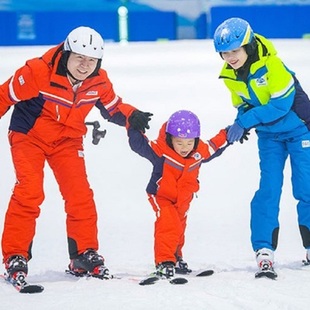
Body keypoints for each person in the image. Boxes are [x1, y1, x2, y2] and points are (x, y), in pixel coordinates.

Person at [0, 26, 152, 284]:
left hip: (67, 140)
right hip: (30, 136)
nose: (84, 65)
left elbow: (113, 107)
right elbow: (3, 97)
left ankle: (83, 253)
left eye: (91, 60)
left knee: (79, 194)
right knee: (30, 190)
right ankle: (15, 255)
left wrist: (132, 115)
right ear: (66, 53)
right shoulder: (37, 72)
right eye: (79, 57)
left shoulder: (98, 80)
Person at [213, 17, 310, 278]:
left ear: (249, 45)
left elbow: (280, 105)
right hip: (269, 137)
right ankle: (264, 248)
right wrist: (240, 121)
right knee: (268, 189)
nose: (230, 57)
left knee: (306, 187)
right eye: (224, 52)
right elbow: (243, 103)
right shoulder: (230, 75)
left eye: (235, 51)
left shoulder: (273, 66)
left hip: (299, 129)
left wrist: (246, 121)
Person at [127, 110, 229, 278]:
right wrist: (133, 125)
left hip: (183, 197)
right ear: (170, 138)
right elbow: (138, 144)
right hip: (161, 195)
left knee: (179, 227)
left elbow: (215, 146)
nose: (184, 148)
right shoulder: (160, 151)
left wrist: (231, 133)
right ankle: (164, 262)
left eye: (189, 143)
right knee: (168, 222)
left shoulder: (199, 151)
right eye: (179, 143)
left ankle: (175, 256)